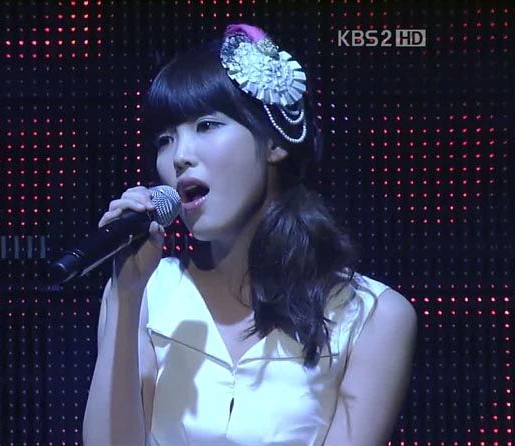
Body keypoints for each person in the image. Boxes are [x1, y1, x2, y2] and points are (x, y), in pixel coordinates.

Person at [82, 23, 417, 446]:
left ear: (274, 143)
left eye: (206, 125)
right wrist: (126, 296)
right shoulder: (148, 293)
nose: (179, 156)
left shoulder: (372, 315)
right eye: (165, 139)